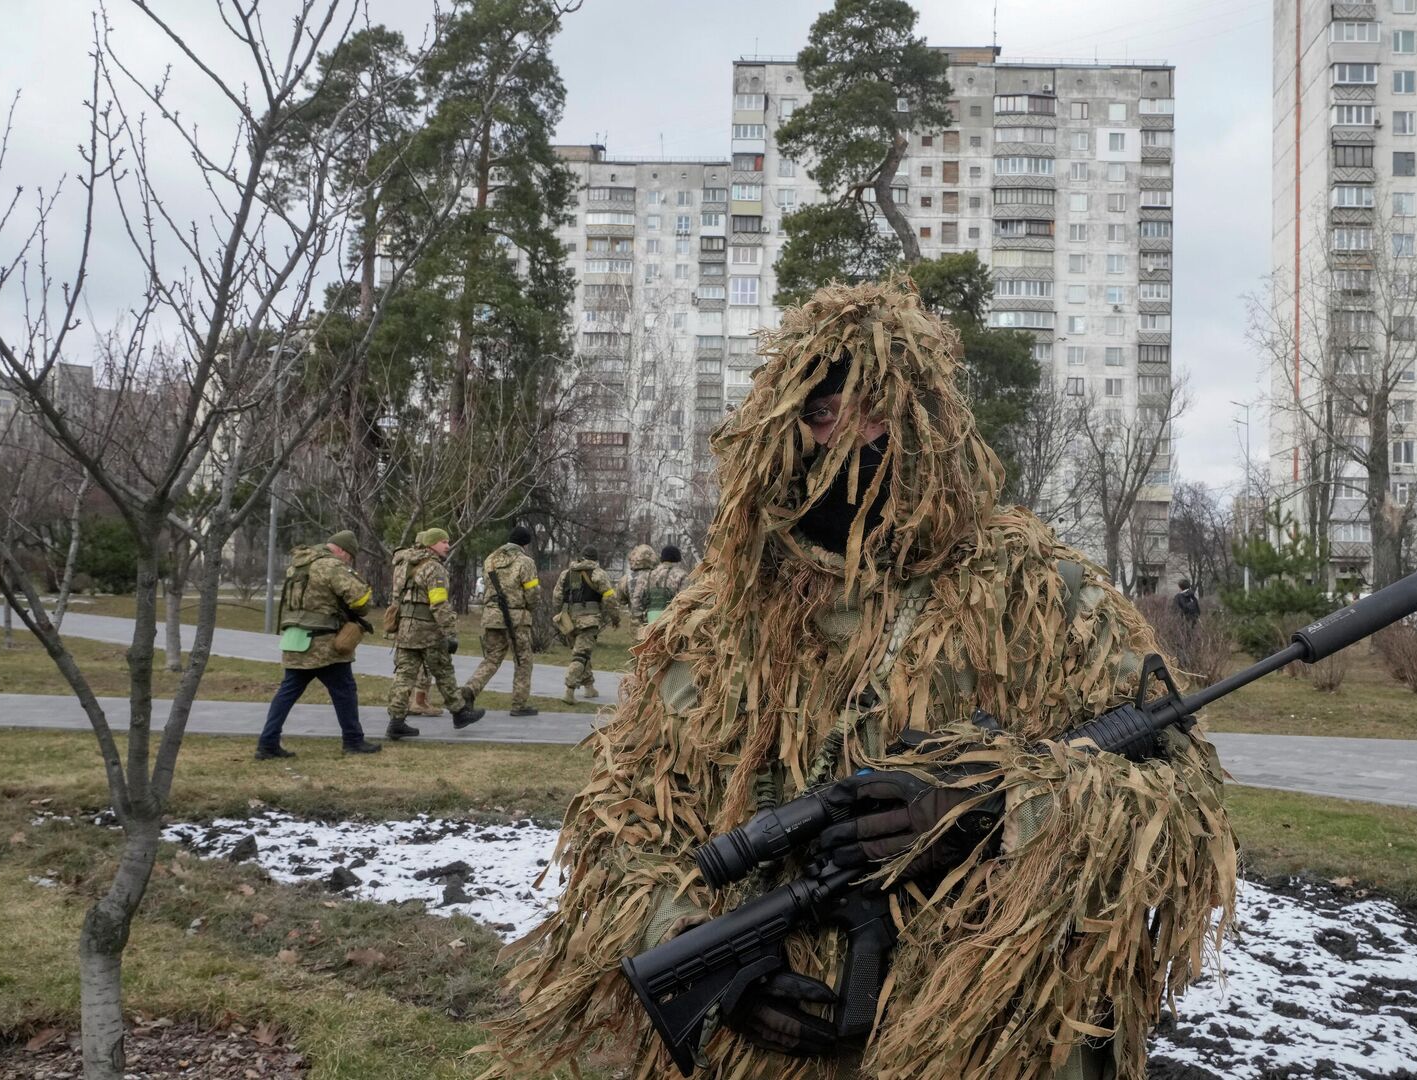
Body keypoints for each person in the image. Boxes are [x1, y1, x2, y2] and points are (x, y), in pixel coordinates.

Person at [487, 281, 1237, 1079]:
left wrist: (999, 806)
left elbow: (1183, 801)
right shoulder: (719, 613)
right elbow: (619, 823)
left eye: (876, 410)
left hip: (982, 1047)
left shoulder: (1038, 592)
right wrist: (705, 958)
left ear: (929, 424)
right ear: (782, 429)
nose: (846, 437)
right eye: (820, 414)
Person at [256, 530, 380, 759]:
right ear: (342, 550)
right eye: (349, 557)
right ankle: (353, 741)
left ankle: (267, 743)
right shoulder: (332, 566)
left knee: (287, 693)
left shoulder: (298, 565)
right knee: (345, 691)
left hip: (295, 638)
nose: (348, 561)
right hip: (324, 643)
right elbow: (361, 601)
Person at [385, 528, 486, 739]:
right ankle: (460, 713)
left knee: (404, 676)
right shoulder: (434, 568)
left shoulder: (403, 565)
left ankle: (396, 721)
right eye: (444, 542)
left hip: (405, 629)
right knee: (443, 672)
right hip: (428, 631)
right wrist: (450, 632)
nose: (448, 545)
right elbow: (439, 604)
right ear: (431, 544)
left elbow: (396, 597)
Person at [466, 526, 541, 717]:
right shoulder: (525, 562)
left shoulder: (490, 559)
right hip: (516, 618)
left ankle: (470, 690)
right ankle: (519, 704)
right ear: (525, 544)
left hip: (492, 616)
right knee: (523, 660)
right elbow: (532, 593)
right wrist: (530, 609)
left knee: (491, 658)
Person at [553, 550, 619, 702]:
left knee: (582, 654)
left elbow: (556, 597)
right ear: (595, 559)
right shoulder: (598, 574)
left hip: (569, 621)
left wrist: (561, 614)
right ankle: (569, 691)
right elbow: (609, 598)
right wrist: (615, 618)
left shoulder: (567, 574)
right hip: (589, 621)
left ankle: (589, 687)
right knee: (581, 655)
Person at [629, 544, 687, 626]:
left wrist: (640, 622)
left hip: (649, 623)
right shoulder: (681, 575)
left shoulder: (646, 576)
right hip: (671, 624)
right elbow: (685, 601)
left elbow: (636, 602)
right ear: (678, 558)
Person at [621, 542, 658, 621]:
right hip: (654, 619)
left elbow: (622, 600)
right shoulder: (658, 576)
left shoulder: (626, 578)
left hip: (635, 621)